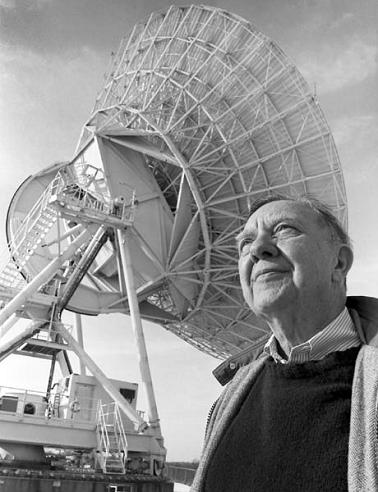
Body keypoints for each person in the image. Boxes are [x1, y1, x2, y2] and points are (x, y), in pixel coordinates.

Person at [192, 194, 378, 492]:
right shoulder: (230, 398)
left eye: (285, 229)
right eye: (244, 244)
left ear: (339, 263)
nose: (257, 249)